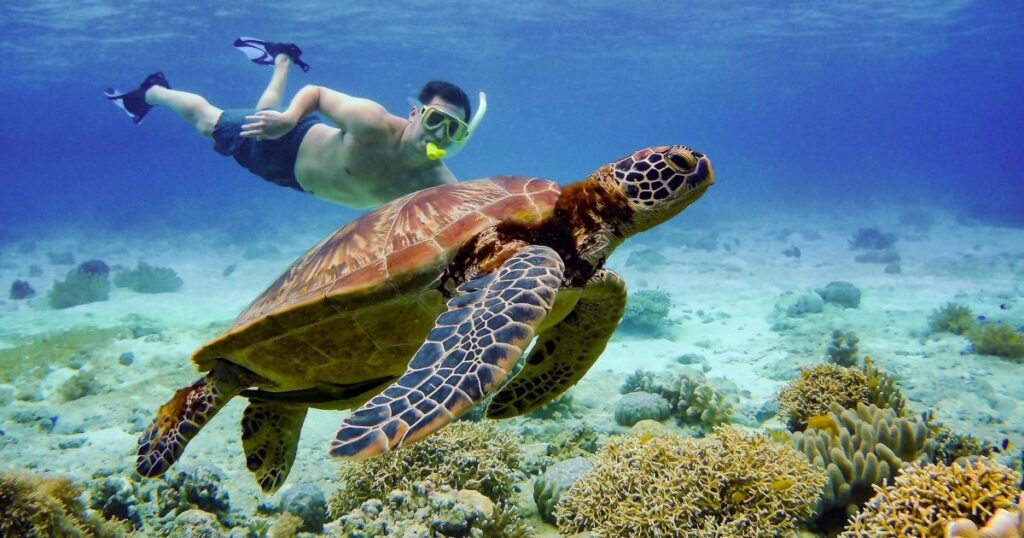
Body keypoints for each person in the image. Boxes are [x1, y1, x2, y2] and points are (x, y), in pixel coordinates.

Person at [105, 38, 487, 208]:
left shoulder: (438, 183)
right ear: (416, 113)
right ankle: (153, 93)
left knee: (260, 113)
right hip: (289, 144)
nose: (440, 133)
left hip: (300, 183)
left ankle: (281, 60)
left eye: (454, 130)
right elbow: (318, 94)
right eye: (436, 119)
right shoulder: (372, 124)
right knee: (209, 123)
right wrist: (288, 120)